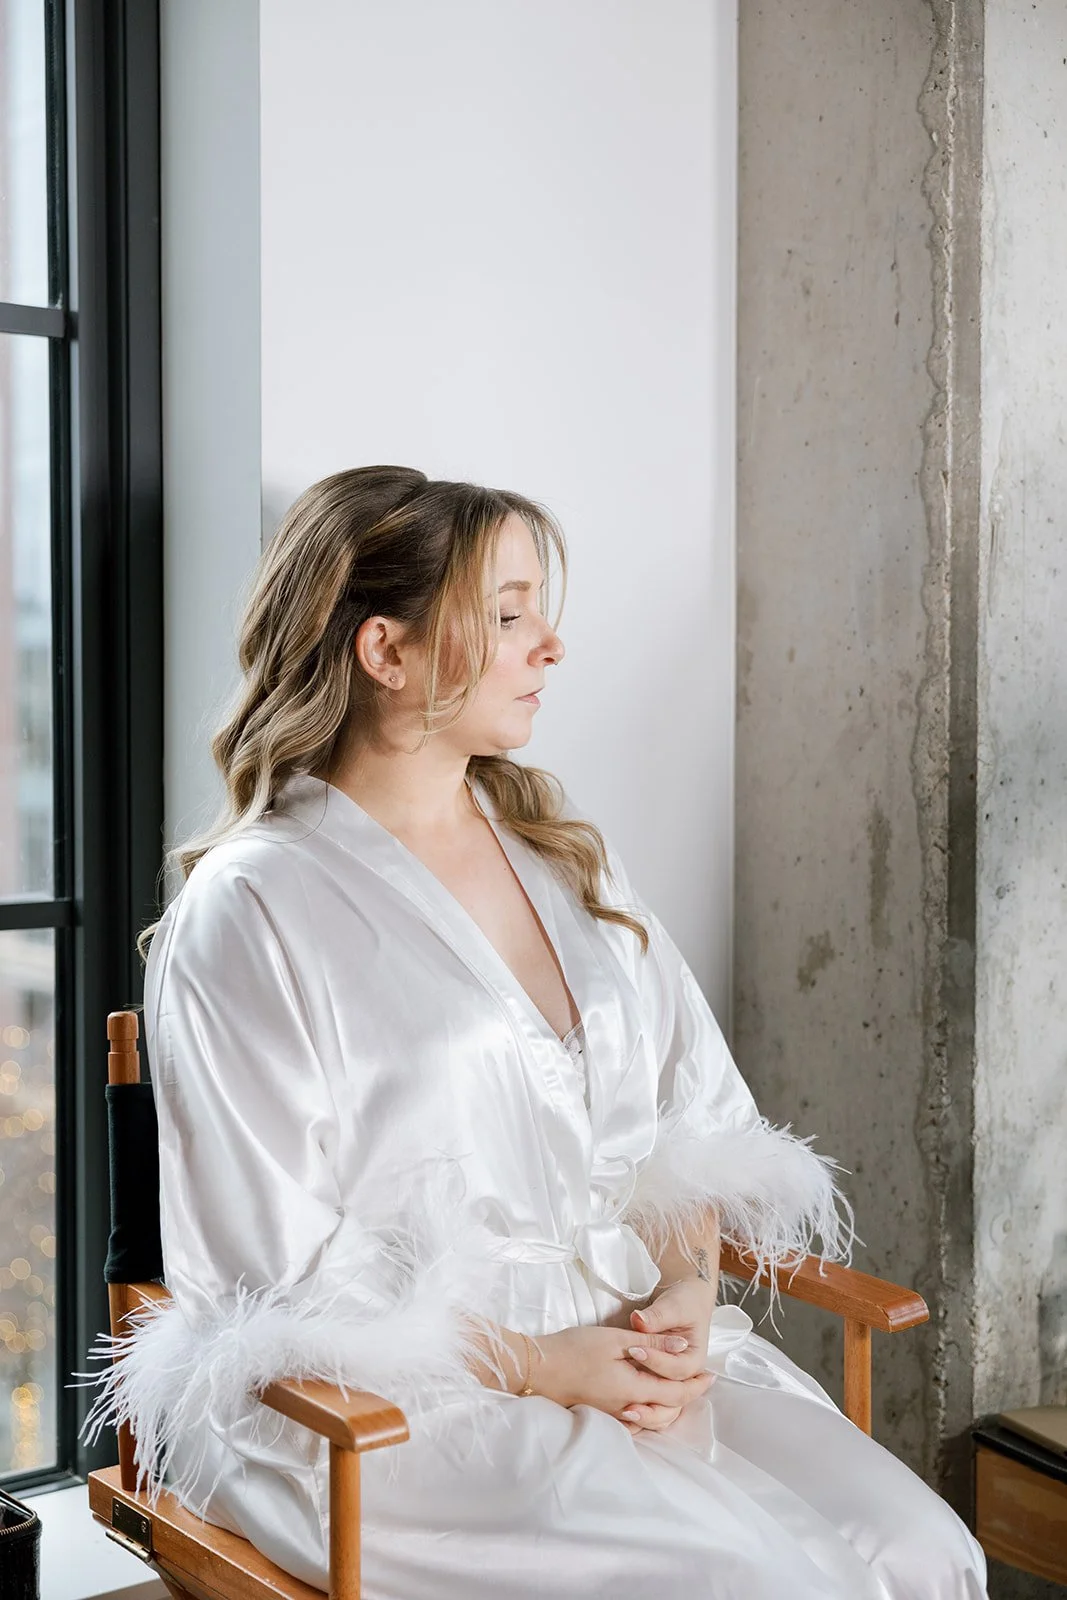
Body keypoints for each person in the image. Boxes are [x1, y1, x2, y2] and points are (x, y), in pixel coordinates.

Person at [86, 467, 988, 1597]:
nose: (549, 643)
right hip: (390, 1415)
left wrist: (682, 1299)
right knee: (772, 1582)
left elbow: (685, 1126)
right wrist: (548, 1366)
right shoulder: (254, 909)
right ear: (386, 650)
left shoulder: (566, 861)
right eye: (508, 614)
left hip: (634, 1345)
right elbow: (277, 1289)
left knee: (923, 1551)